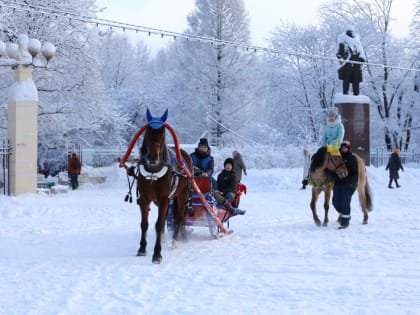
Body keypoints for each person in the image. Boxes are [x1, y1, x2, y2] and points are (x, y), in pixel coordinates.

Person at [332, 140, 358, 229]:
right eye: (343, 146)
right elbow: (333, 170)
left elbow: (355, 173)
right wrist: (329, 172)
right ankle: (344, 214)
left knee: (345, 203)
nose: (344, 148)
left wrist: (353, 185)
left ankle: (345, 222)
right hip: (337, 184)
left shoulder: (352, 158)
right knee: (335, 202)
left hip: (347, 184)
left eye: (346, 147)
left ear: (348, 148)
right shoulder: (336, 157)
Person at [336, 26, 366, 96]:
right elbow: (340, 51)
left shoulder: (357, 39)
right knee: (346, 78)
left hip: (356, 62)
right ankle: (345, 93)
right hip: (348, 62)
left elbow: (361, 50)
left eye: (352, 32)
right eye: (350, 32)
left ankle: (356, 94)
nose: (351, 33)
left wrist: (362, 58)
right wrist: (340, 57)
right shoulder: (343, 38)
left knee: (356, 79)